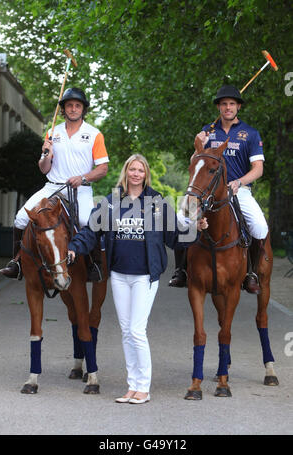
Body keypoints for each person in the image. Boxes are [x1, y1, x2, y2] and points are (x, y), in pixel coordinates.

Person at [67, 154, 208, 404]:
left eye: (140, 170)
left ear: (145, 174)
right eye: (132, 169)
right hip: (120, 275)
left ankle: (144, 387)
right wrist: (74, 247)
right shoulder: (111, 201)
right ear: (126, 172)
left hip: (145, 277)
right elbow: (91, 231)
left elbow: (174, 237)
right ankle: (132, 386)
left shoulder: (157, 202)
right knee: (125, 331)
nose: (135, 174)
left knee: (136, 330)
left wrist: (196, 229)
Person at [0, 87, 109, 279]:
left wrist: (82, 178)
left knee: (86, 221)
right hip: (52, 186)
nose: (73, 109)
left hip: (80, 189)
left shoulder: (94, 134)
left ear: (83, 109)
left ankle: (95, 265)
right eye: (69, 106)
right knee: (20, 218)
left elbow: (103, 168)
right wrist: (46, 154)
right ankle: (17, 261)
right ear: (64, 109)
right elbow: (44, 168)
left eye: (77, 106)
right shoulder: (52, 133)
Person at [169, 84, 268, 294]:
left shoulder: (250, 133)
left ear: (238, 106)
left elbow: (258, 169)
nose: (228, 107)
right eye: (224, 104)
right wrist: (197, 145)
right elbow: (195, 162)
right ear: (219, 108)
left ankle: (251, 273)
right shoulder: (208, 131)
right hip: (206, 191)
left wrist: (239, 182)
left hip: (238, 190)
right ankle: (181, 270)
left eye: (232, 104)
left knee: (259, 227)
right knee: (181, 218)